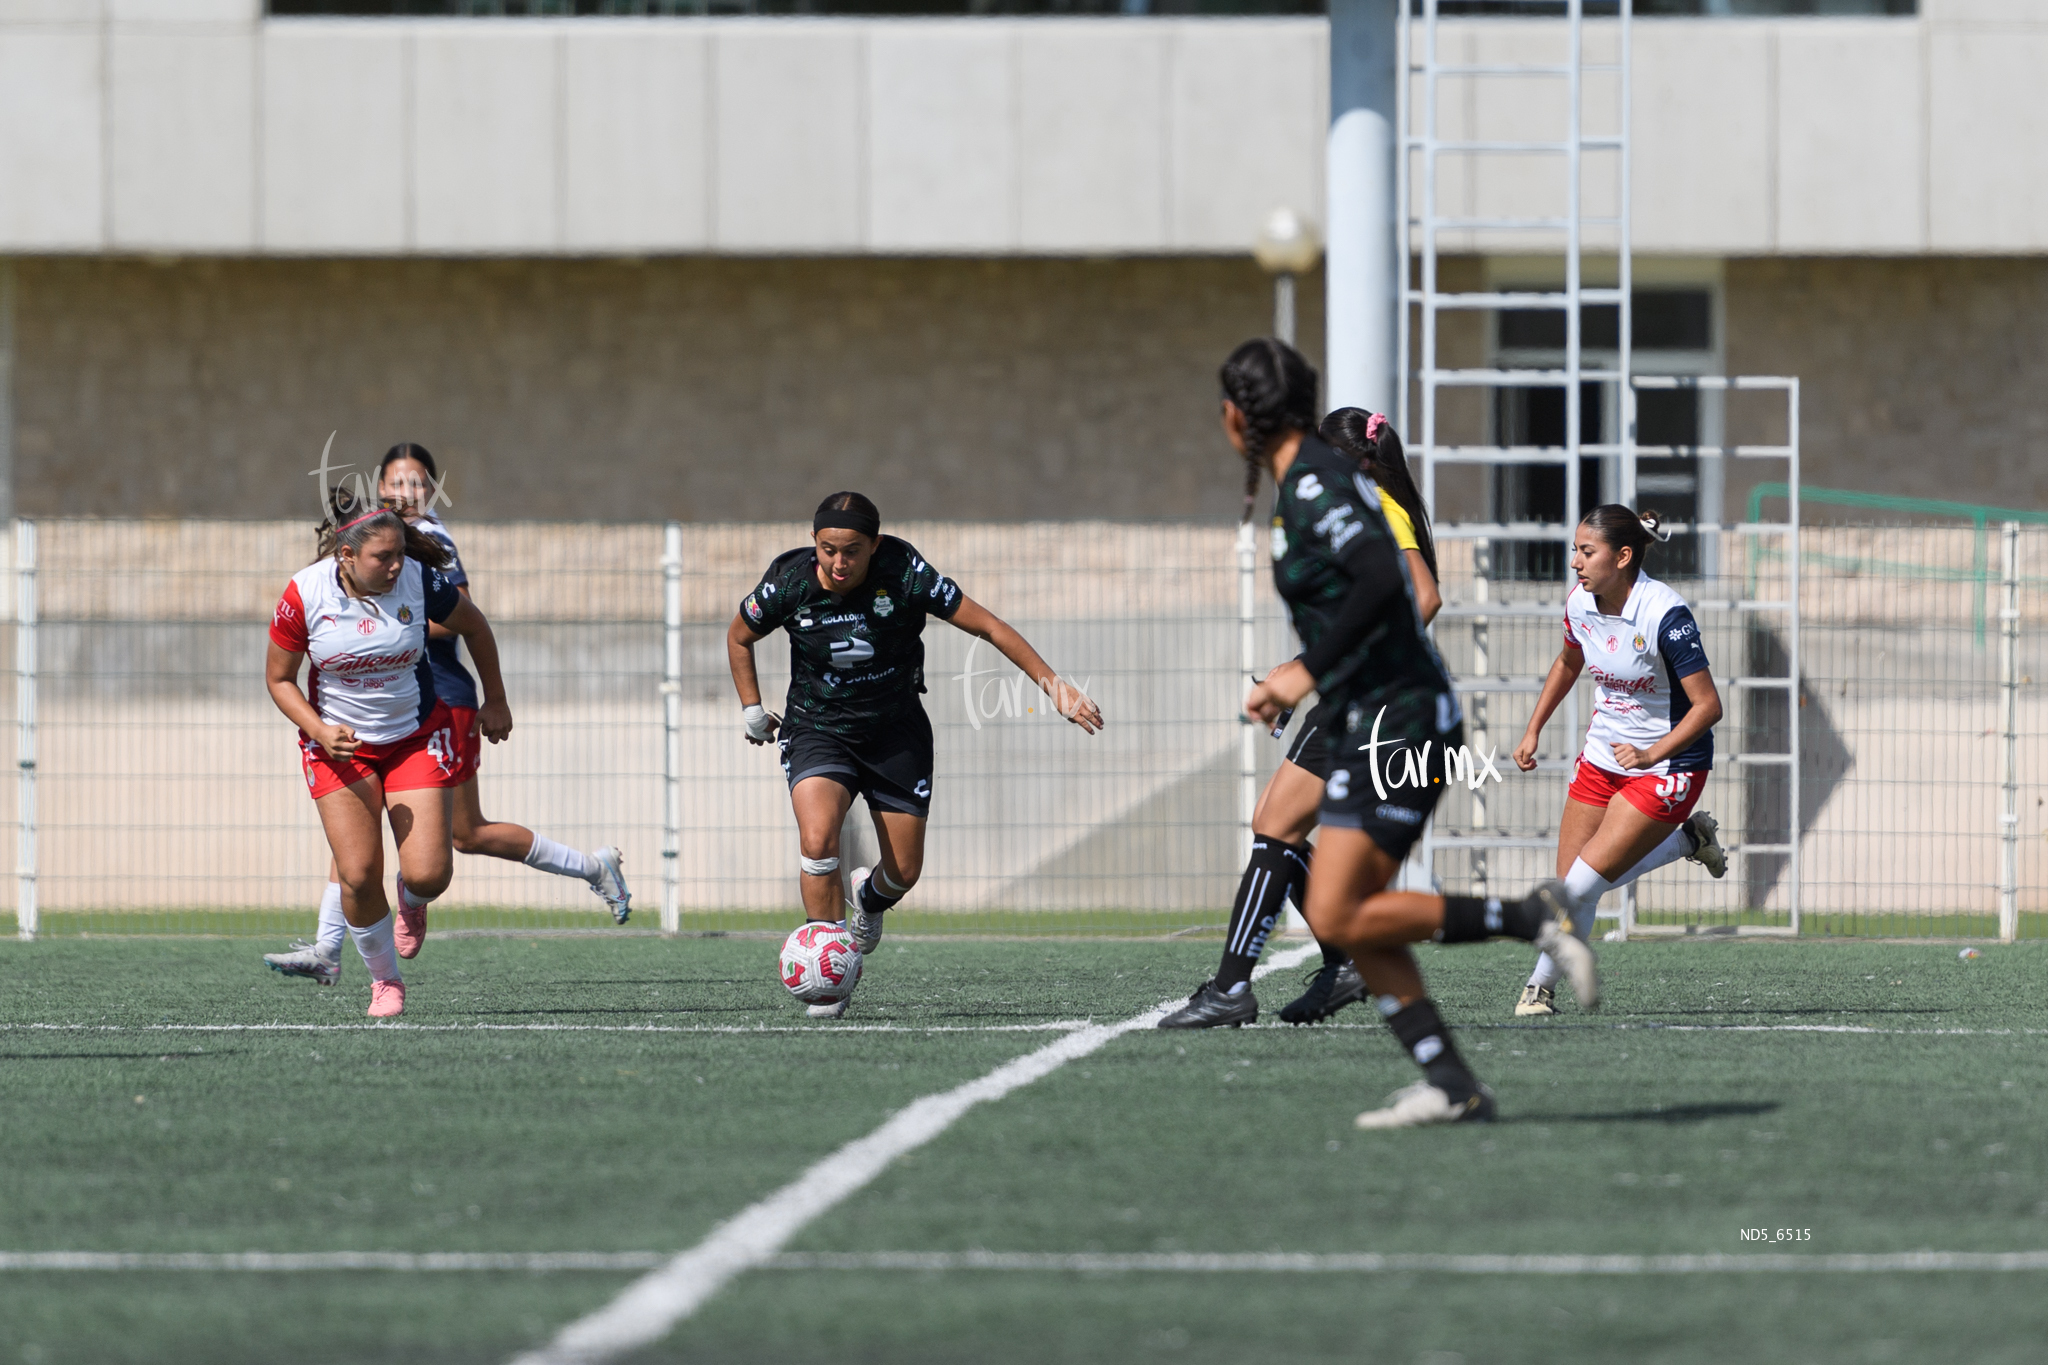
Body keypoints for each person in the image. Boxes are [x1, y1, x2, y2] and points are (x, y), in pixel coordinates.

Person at [1217, 338, 1593, 1128]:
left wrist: (1300, 671)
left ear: (1236, 416)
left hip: (1394, 709)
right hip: (1373, 702)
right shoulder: (1314, 485)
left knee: (1337, 899)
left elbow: (1406, 588)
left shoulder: (1321, 484)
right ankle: (1453, 1084)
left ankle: (1529, 918)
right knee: (1344, 907)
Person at [727, 491, 1102, 1018]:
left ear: (874, 544)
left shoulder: (905, 571)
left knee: (903, 871)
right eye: (828, 549)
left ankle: (871, 900)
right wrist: (751, 709)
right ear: (815, 543)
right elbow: (739, 636)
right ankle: (831, 973)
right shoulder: (788, 581)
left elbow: (988, 626)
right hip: (818, 728)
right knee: (817, 840)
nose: (839, 562)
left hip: (895, 732)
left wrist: (1054, 687)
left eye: (852, 550)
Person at [265, 447, 630, 986]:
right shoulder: (343, 567)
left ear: (430, 491)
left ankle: (591, 867)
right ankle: (331, 946)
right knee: (358, 853)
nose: (405, 491)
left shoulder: (423, 547)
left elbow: (462, 617)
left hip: (442, 702)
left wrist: (398, 634)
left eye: (417, 483)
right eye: (396, 480)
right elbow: (280, 673)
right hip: (360, 725)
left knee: (460, 838)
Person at [1160, 403, 1443, 1028]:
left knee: (1276, 826)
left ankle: (1237, 986)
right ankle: (1341, 958)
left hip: (1375, 701)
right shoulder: (1367, 505)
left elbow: (1424, 597)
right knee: (1275, 824)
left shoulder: (1376, 505)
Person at [263, 496, 510, 1018]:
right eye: (383, 557)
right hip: (339, 750)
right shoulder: (304, 592)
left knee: (429, 876)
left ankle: (412, 897)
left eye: (400, 552)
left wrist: (496, 699)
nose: (396, 565)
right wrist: (320, 731)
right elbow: (280, 680)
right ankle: (385, 982)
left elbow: (476, 626)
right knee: (356, 874)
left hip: (413, 737)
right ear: (346, 557)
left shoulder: (420, 580)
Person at [1509, 505, 1728, 1015]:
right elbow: (1568, 661)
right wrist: (1533, 728)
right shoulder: (1581, 604)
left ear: (1624, 556)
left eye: (1587, 552)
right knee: (1572, 887)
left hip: (1669, 767)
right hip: (1602, 759)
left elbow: (1709, 706)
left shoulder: (1664, 614)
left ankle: (1537, 990)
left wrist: (1652, 752)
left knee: (1578, 887)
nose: (1575, 563)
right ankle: (1688, 841)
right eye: (1575, 551)